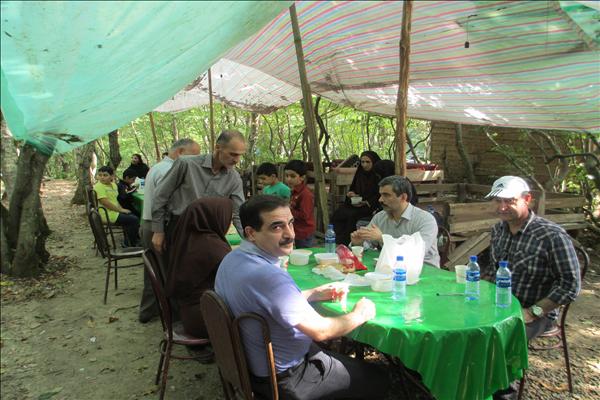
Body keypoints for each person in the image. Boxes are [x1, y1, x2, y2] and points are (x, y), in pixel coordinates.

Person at [215, 195, 390, 400]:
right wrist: (360, 313)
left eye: (290, 223)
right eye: (276, 227)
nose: (290, 234)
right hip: (287, 378)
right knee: (380, 378)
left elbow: (264, 302)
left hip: (253, 366)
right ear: (251, 233)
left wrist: (312, 294)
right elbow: (322, 331)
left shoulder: (232, 259)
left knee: (349, 365)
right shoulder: (268, 276)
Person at [482, 176, 581, 400]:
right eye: (497, 201)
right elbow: (492, 268)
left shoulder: (551, 236)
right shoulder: (498, 229)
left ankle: (503, 392)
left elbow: (570, 285)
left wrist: (533, 311)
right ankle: (467, 382)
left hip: (535, 311)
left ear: (527, 200)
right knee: (463, 324)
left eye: (509, 201)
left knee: (500, 338)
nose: (502, 207)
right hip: (499, 304)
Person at [151, 130, 246, 255]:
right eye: (233, 154)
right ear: (218, 147)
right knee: (176, 266)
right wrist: (158, 231)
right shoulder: (186, 164)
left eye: (240, 155)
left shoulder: (234, 178)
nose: (237, 160)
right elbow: (160, 196)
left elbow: (238, 213)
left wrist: (250, 240)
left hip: (208, 233)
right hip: (178, 228)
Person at [138, 138, 201, 323]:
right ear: (180, 152)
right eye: (194, 156)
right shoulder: (168, 170)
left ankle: (149, 310)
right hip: (160, 227)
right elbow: (166, 203)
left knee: (154, 271)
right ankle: (174, 317)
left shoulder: (157, 167)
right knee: (169, 272)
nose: (196, 160)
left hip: (148, 224)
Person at [166, 197, 232, 338]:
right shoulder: (213, 247)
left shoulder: (187, 237)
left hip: (188, 311)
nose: (229, 223)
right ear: (215, 218)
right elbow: (236, 280)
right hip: (205, 318)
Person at [350, 175, 439, 267]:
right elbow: (368, 243)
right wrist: (359, 243)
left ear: (403, 197)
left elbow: (417, 251)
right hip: (390, 266)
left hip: (423, 269)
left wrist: (382, 238)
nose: (380, 200)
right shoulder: (380, 217)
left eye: (386, 195)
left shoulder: (425, 220)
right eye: (381, 195)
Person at [331, 150, 382, 244]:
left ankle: (349, 241)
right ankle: (337, 239)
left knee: (352, 216)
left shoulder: (378, 175)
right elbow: (353, 189)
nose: (364, 165)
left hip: (370, 206)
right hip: (356, 204)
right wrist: (351, 195)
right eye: (362, 162)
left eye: (368, 162)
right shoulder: (360, 173)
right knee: (339, 212)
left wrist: (366, 202)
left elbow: (379, 195)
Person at [93, 166, 140, 247]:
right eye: (100, 175)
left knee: (132, 215)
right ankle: (130, 244)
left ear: (112, 176)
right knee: (133, 220)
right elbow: (105, 203)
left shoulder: (114, 185)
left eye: (105, 175)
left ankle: (131, 240)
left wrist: (122, 209)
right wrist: (121, 210)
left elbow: (115, 200)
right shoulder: (98, 186)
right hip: (106, 213)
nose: (102, 177)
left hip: (114, 211)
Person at [284, 160, 315, 248]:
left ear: (302, 177)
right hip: (297, 230)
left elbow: (304, 215)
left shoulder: (305, 194)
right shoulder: (294, 191)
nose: (289, 179)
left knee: (304, 252)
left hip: (304, 232)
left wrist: (289, 209)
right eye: (287, 176)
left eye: (292, 176)